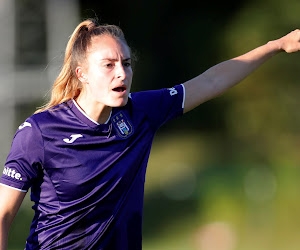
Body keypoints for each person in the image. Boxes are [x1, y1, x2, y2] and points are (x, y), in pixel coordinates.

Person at [0, 18, 299, 249]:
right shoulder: (39, 131)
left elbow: (210, 81)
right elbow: (3, 215)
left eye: (126, 64)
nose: (122, 73)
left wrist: (275, 45)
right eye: (109, 65)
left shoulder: (140, 112)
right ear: (82, 73)